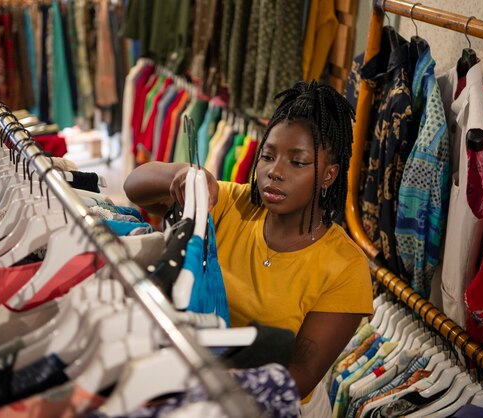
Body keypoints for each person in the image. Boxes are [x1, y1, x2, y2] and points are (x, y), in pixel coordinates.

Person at [124, 80, 374, 415]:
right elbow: (134, 187)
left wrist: (196, 381)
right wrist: (188, 174)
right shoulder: (230, 203)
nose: (274, 172)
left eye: (297, 162)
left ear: (328, 174)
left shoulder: (345, 266)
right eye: (268, 156)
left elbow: (300, 374)